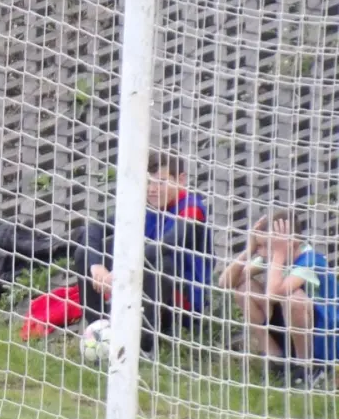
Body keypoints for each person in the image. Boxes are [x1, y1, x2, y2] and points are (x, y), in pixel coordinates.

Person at [57, 150, 214, 350]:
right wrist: (97, 267)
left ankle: (145, 344)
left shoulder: (191, 208)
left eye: (161, 182)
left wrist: (122, 270)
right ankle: (100, 332)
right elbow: (94, 229)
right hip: (140, 281)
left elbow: (167, 244)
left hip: (181, 298)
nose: (152, 189)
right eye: (148, 182)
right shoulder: (143, 205)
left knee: (162, 263)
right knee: (84, 253)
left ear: (181, 180)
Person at [217, 209, 337, 389]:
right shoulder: (271, 256)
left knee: (294, 298)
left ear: (291, 242)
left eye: (266, 246)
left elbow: (274, 294)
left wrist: (279, 254)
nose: (262, 253)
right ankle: (277, 361)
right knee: (244, 289)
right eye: (259, 246)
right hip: (292, 330)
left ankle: (306, 368)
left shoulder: (311, 260)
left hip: (325, 340)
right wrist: (249, 251)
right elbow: (225, 282)